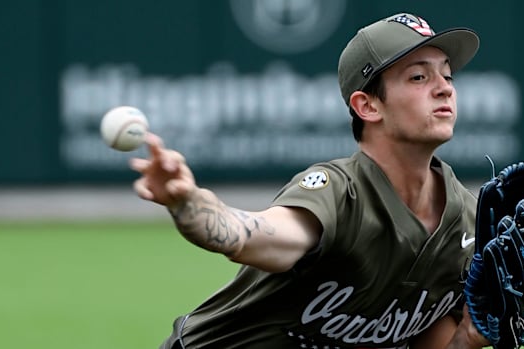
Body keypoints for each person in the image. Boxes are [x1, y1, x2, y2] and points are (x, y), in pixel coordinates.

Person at [130, 12, 490, 349]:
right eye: (419, 77)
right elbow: (251, 236)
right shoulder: (340, 193)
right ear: (368, 106)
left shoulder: (468, 223)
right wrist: (187, 202)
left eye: (447, 75)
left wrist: (469, 337)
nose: (444, 88)